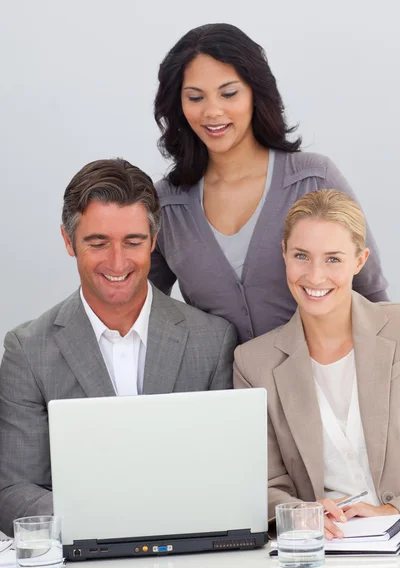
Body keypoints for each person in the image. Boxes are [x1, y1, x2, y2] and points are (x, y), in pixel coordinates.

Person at [233, 189, 400, 536]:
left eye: (333, 259)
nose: (314, 276)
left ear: (359, 261)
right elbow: (265, 487)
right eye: (301, 256)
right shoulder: (254, 363)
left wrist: (394, 513)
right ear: (284, 254)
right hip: (332, 559)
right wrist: (303, 513)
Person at [0, 159, 236, 536]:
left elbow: (230, 472)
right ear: (68, 241)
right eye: (98, 243)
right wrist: (110, 518)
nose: (117, 261)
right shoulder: (27, 351)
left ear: (154, 241)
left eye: (133, 241)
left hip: (190, 556)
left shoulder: (212, 340)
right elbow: (14, 492)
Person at [150, 23, 388, 344]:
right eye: (195, 97)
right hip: (221, 393)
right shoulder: (166, 205)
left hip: (321, 387)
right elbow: (140, 308)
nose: (212, 111)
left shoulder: (313, 179)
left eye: (229, 93)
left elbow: (371, 295)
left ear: (255, 94)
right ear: (178, 104)